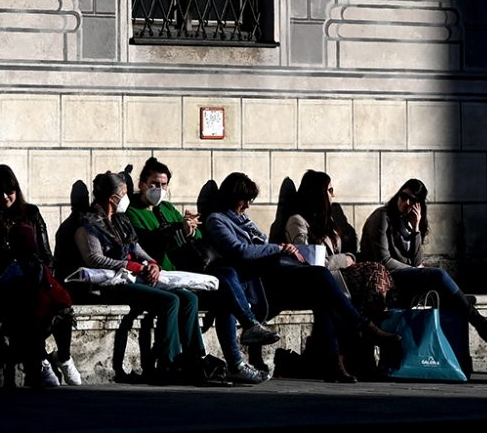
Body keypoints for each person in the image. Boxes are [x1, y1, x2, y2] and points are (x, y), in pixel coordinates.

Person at [204, 172, 401, 383]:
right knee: (321, 275)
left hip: (271, 277)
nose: (248, 206)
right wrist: (278, 248)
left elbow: (259, 246)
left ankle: (334, 362)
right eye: (245, 200)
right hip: (259, 283)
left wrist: (275, 249)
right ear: (233, 198)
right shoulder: (217, 220)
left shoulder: (245, 221)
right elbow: (239, 251)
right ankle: (363, 327)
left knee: (323, 292)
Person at [126, 157, 276, 383]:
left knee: (226, 282)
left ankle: (234, 351)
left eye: (164, 185)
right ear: (142, 184)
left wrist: (189, 228)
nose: (159, 189)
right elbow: (145, 243)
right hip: (162, 273)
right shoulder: (132, 212)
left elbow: (195, 237)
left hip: (185, 271)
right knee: (212, 291)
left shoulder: (167, 208)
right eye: (154, 184)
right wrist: (177, 229)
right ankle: (240, 337)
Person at [72, 170, 219, 385]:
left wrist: (151, 264)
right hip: (113, 283)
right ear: (113, 198)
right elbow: (94, 259)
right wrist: (129, 265)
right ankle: (168, 363)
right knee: (171, 300)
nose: (126, 197)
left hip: (134, 277)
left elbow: (136, 248)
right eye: (123, 193)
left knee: (190, 298)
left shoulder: (121, 221)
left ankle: (194, 358)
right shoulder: (89, 225)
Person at [359, 178, 487, 343]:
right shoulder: (382, 216)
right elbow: (384, 260)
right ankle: (481, 324)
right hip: (385, 277)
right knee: (439, 276)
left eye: (412, 200)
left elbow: (416, 259)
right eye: (403, 196)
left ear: (419, 205)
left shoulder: (409, 222)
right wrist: (415, 270)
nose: (406, 202)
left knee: (452, 297)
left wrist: (416, 228)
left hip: (404, 276)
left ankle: (457, 356)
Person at [0, 164, 80, 388]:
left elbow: (45, 254)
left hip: (37, 280)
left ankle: (62, 356)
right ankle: (40, 361)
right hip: (7, 285)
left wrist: (39, 275)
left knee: (61, 307)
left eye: (10, 191)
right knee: (24, 308)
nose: (5, 198)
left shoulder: (30, 213)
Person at [279, 170, 393, 320]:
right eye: (330, 190)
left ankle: (377, 323)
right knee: (373, 272)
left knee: (378, 272)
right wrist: (343, 260)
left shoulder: (327, 221)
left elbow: (343, 251)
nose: (333, 195)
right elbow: (308, 261)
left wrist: (349, 257)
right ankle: (371, 327)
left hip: (338, 274)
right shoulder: (297, 221)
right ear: (319, 192)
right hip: (321, 278)